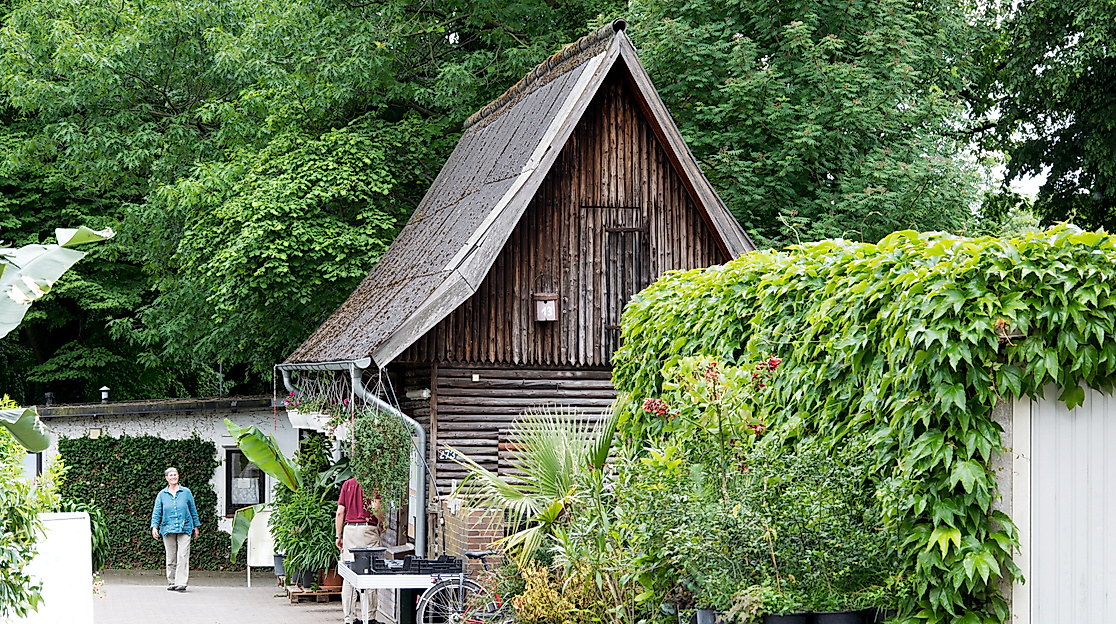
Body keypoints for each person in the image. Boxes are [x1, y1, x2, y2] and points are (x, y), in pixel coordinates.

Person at [336, 477, 385, 624]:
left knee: (349, 575)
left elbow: (340, 512)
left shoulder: (347, 484)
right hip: (367, 530)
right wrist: (383, 520)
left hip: (349, 530)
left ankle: (349, 618)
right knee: (370, 572)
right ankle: (369, 618)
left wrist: (338, 536)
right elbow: (376, 508)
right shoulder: (373, 483)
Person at [151, 466, 201, 592]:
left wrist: (196, 526)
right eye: (171, 475)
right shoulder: (162, 494)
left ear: (178, 476)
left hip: (185, 528)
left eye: (175, 475)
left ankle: (181, 582)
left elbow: (193, 510)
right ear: (166, 478)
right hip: (168, 529)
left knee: (183, 555)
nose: (173, 477)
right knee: (171, 557)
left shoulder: (186, 492)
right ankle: (172, 582)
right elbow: (157, 512)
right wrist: (154, 527)